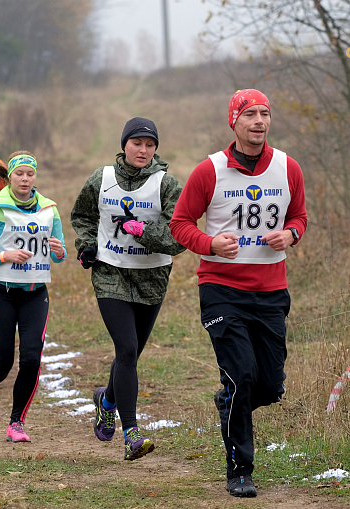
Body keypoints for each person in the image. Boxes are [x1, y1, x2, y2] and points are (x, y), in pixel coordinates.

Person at [169, 89, 308, 498]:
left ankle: (229, 400)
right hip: (222, 290)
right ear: (234, 121)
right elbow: (180, 224)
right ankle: (240, 470)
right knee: (242, 375)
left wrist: (291, 234)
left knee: (269, 386)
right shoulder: (209, 171)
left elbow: (299, 215)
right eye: (250, 114)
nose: (259, 121)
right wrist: (210, 244)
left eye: (265, 113)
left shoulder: (288, 168)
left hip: (271, 292)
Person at [71, 118, 185, 461]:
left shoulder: (167, 184)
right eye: (137, 143)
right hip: (110, 273)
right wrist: (86, 245)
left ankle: (106, 401)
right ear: (124, 144)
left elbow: (179, 236)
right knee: (127, 346)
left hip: (152, 276)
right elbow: (83, 216)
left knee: (129, 356)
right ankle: (132, 433)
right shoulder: (100, 178)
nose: (143, 150)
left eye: (150, 145)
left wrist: (143, 231)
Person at [0, 150, 67, 442]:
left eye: (30, 174)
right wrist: (5, 254)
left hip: (36, 294)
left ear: (35, 177)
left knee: (32, 360)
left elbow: (57, 253)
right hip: (0, 292)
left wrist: (59, 252)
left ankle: (16, 423)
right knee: (3, 359)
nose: (25, 179)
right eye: (19, 174)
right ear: (9, 177)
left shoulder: (50, 209)